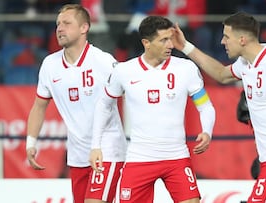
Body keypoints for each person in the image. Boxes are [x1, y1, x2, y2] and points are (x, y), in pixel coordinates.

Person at [172, 11, 266, 203]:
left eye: (226, 36)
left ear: (242, 39)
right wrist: (185, 47)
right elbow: (220, 73)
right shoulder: (245, 64)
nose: (222, 42)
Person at [92, 15, 216, 203]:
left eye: (171, 39)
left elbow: (205, 106)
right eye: (164, 40)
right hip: (139, 157)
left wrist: (207, 131)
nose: (170, 45)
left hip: (176, 156)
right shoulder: (124, 71)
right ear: (146, 43)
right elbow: (104, 105)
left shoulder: (186, 69)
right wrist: (95, 146)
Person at [25, 4, 127, 203]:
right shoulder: (49, 65)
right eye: (57, 24)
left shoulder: (103, 61)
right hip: (77, 155)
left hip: (107, 150)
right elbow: (39, 106)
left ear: (84, 28)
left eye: (66, 23)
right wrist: (31, 143)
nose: (60, 29)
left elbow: (132, 91)